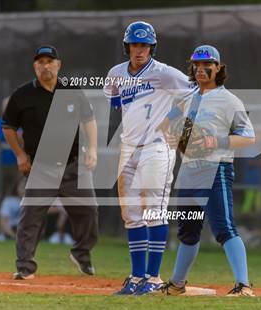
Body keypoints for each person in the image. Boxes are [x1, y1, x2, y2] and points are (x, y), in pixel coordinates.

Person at [104, 21, 196, 295]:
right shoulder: (116, 74)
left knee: (153, 211)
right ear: (127, 47)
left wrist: (173, 123)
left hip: (157, 147)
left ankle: (153, 278)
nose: (139, 50)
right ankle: (136, 277)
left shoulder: (165, 73)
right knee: (131, 214)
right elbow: (115, 102)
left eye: (144, 45)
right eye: (135, 44)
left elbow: (192, 93)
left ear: (152, 48)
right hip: (128, 148)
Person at [159, 45, 256, 296]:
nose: (201, 69)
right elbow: (165, 124)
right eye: (196, 65)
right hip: (189, 171)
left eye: (207, 65)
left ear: (218, 68)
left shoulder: (229, 100)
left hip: (216, 171)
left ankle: (243, 285)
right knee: (188, 232)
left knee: (223, 228)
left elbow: (248, 137)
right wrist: (172, 136)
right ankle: (177, 284)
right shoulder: (186, 98)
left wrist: (217, 141)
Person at [2, 45, 99, 280]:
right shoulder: (22, 94)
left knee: (89, 211)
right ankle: (25, 267)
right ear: (35, 66)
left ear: (58, 65)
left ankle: (81, 253)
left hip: (73, 165)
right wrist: (20, 155)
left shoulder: (73, 91)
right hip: (40, 167)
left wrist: (93, 149)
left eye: (49, 61)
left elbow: (89, 120)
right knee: (30, 217)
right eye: (40, 61)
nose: (45, 65)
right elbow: (8, 127)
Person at [0, 97, 20, 204]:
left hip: (16, 165)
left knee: (15, 193)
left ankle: (13, 219)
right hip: (1, 165)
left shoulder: (19, 123)